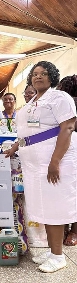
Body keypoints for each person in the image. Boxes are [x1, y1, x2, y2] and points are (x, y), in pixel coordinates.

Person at [5, 61, 77, 273]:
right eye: (35, 74)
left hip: (53, 160)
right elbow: (30, 132)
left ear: (52, 77)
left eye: (44, 73)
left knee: (54, 206)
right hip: (34, 163)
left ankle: (58, 256)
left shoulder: (59, 97)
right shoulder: (33, 101)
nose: (38, 77)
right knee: (43, 206)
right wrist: (14, 148)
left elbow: (68, 126)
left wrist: (55, 161)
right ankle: (51, 249)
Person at [57, 74, 77, 245]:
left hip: (71, 149)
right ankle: (65, 227)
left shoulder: (71, 104)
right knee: (66, 191)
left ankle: (73, 231)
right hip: (65, 151)